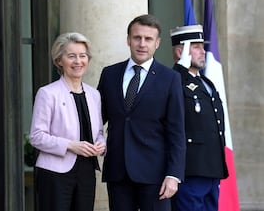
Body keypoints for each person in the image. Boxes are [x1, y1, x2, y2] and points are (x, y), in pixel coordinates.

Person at [97, 14, 186, 211]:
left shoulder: (170, 78)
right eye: (137, 38)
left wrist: (173, 175)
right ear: (128, 40)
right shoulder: (109, 74)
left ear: (157, 43)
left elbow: (177, 131)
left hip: (156, 175)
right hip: (118, 171)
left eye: (148, 39)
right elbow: (97, 119)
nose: (142, 44)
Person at [29, 32, 106, 211]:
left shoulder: (94, 94)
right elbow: (36, 136)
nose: (78, 61)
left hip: (87, 171)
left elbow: (99, 132)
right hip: (55, 173)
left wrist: (101, 144)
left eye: (82, 56)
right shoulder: (48, 93)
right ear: (59, 60)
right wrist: (71, 145)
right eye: (71, 56)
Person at [170, 25, 229, 211]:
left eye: (202, 46)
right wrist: (180, 67)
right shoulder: (174, 79)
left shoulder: (206, 82)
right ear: (181, 51)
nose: (203, 51)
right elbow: (167, 92)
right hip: (192, 169)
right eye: (196, 47)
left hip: (212, 168)